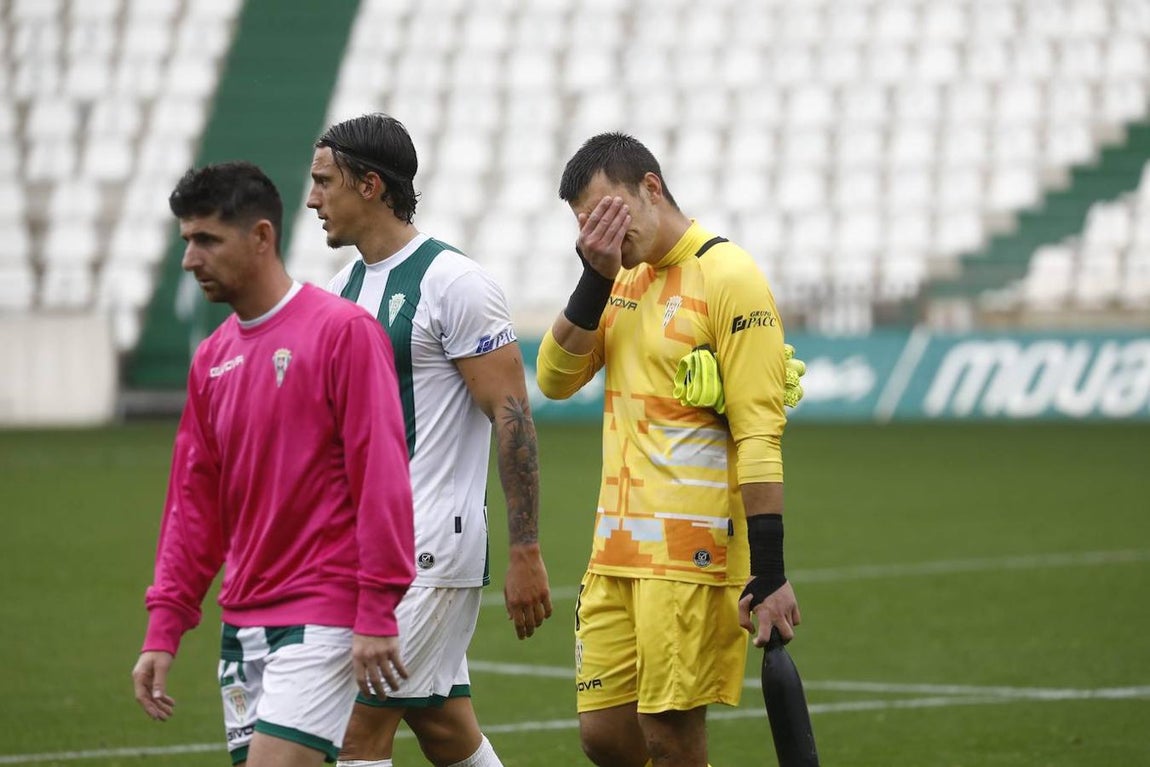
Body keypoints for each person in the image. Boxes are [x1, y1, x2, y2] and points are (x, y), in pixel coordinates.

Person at [131, 162, 416, 767]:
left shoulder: (342, 332)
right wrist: (165, 627)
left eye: (206, 239)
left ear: (261, 237)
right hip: (242, 625)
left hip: (323, 615)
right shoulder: (211, 359)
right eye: (186, 241)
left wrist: (375, 608)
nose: (190, 259)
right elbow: (193, 505)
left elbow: (382, 479)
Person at [536, 133, 804, 767]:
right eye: (585, 225)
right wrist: (590, 278)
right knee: (604, 736)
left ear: (650, 188)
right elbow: (553, 378)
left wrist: (769, 570)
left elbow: (759, 433)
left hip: (690, 554)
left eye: (608, 213)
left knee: (670, 739)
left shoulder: (728, 276)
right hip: (615, 552)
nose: (600, 233)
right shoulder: (617, 279)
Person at [305, 113, 553, 767]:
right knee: (444, 727)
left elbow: (513, 417)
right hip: (374, 552)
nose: (311, 198)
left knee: (353, 733)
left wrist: (525, 547)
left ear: (369, 186)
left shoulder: (454, 283)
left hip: (431, 549)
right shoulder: (342, 292)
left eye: (324, 181)